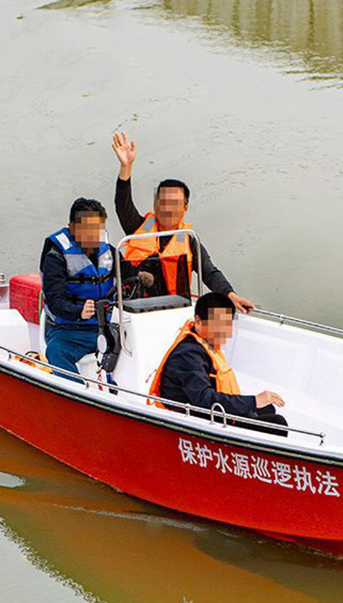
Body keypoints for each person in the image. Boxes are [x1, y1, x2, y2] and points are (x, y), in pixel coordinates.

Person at [112, 131, 256, 313]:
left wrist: (231, 296)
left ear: (185, 208)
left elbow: (209, 273)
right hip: (136, 311)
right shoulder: (138, 227)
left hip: (174, 310)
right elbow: (122, 205)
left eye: (174, 203)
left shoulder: (189, 240)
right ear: (155, 204)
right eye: (163, 202)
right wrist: (126, 167)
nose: (167, 208)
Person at [150, 292, 287, 435]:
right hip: (196, 419)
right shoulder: (188, 355)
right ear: (198, 321)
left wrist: (253, 403)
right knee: (278, 423)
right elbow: (203, 399)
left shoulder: (205, 345)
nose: (225, 331)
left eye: (227, 324)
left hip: (213, 412)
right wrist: (253, 401)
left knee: (267, 408)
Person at [40, 197, 116, 378]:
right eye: (86, 229)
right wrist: (79, 312)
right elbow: (55, 300)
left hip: (106, 326)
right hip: (68, 330)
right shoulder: (56, 255)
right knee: (56, 350)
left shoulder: (109, 251)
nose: (92, 235)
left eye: (97, 229)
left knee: (133, 343)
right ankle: (73, 388)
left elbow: (128, 276)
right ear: (72, 227)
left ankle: (119, 389)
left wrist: (142, 277)